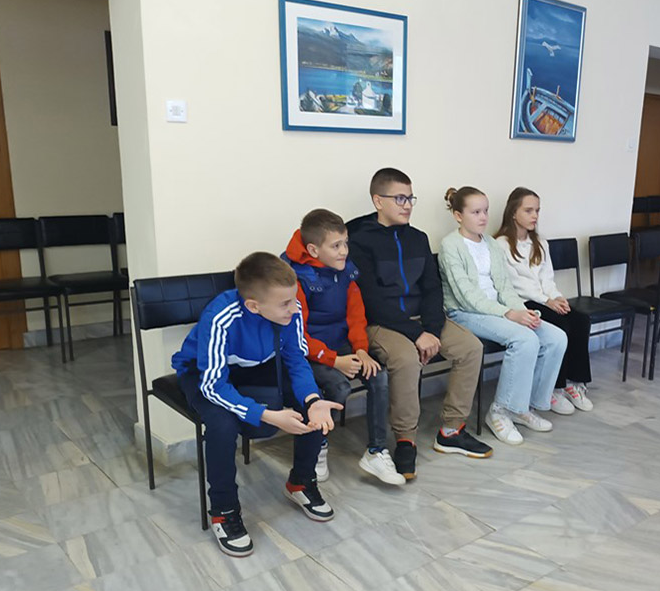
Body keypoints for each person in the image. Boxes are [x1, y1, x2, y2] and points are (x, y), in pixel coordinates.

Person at [172, 252, 342, 557]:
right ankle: (224, 510)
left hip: (256, 364)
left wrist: (313, 400)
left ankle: (301, 483)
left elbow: (295, 359)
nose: (295, 308)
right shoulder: (221, 316)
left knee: (314, 403)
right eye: (285, 304)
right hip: (204, 373)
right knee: (222, 426)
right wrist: (267, 415)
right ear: (254, 306)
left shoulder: (290, 310)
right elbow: (213, 385)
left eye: (293, 300)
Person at [347, 167, 492, 478]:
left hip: (421, 320)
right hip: (381, 323)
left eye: (410, 198)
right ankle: (406, 439)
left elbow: (431, 289)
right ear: (378, 201)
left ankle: (451, 431)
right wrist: (416, 334)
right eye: (399, 198)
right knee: (405, 358)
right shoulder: (359, 241)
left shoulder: (418, 238)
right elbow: (371, 300)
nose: (407, 205)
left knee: (470, 347)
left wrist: (430, 329)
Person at [282, 209, 404, 486]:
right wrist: (334, 360)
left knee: (378, 375)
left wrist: (361, 350)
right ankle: (318, 444)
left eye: (345, 243)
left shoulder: (345, 271)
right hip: (308, 352)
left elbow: (356, 316)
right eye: (336, 246)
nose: (344, 251)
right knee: (338, 387)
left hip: (341, 347)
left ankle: (376, 451)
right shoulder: (295, 278)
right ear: (314, 250)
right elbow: (297, 335)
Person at [437, 186, 567, 445]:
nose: (483, 217)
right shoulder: (450, 245)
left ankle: (523, 407)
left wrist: (523, 311)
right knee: (525, 339)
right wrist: (509, 314)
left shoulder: (491, 244)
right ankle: (500, 411)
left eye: (485, 211)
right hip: (464, 313)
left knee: (556, 338)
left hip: (497, 310)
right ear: (458, 216)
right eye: (476, 212)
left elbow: (505, 288)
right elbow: (466, 296)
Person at [494, 187, 594, 413]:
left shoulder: (539, 242)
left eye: (537, 210)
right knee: (561, 326)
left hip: (544, 299)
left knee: (581, 320)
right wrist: (546, 301)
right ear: (513, 212)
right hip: (522, 302)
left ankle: (574, 383)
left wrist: (556, 296)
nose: (535, 216)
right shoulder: (501, 244)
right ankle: (554, 389)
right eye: (528, 210)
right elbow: (515, 283)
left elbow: (547, 277)